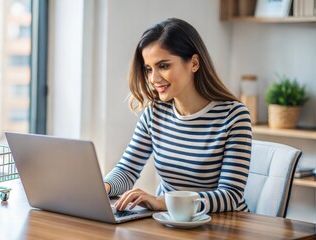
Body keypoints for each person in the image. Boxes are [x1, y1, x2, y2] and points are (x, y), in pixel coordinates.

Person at [103, 18, 252, 213]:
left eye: (163, 66)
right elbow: (127, 170)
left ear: (194, 63)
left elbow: (230, 195)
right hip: (171, 222)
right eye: (148, 69)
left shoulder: (233, 116)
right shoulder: (154, 113)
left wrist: (166, 202)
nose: (153, 79)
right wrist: (101, 188)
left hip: (223, 226)